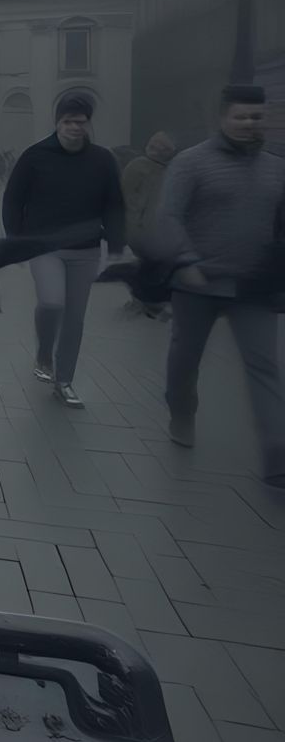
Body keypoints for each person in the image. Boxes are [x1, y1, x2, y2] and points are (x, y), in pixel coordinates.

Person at [158, 85, 285, 485]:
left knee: (264, 366)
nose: (249, 123)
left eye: (256, 116)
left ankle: (278, 457)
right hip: (198, 283)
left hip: (253, 287)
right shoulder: (191, 163)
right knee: (185, 359)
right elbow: (170, 218)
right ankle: (181, 411)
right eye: (241, 116)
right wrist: (186, 262)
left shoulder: (276, 168)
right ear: (223, 117)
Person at [2, 93, 125, 409]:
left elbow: (114, 204)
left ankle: (64, 380)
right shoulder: (35, 156)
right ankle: (44, 352)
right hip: (45, 247)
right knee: (52, 301)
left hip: (85, 250)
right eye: (68, 121)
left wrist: (114, 245)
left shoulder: (102, 160)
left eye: (80, 122)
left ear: (88, 124)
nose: (74, 127)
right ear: (57, 122)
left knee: (75, 319)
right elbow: (13, 199)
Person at [120, 131, 177, 317]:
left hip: (158, 228)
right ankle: (143, 302)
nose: (157, 150)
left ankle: (147, 301)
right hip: (139, 228)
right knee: (148, 263)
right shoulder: (137, 166)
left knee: (152, 265)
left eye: (163, 147)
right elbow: (124, 196)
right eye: (154, 145)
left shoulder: (170, 169)